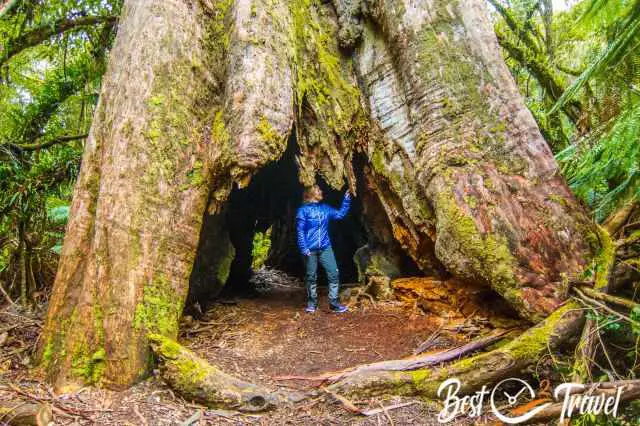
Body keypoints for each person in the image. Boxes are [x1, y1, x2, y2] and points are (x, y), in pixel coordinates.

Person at [296, 184, 352, 313]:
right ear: (311, 194)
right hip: (310, 249)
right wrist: (304, 248)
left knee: (334, 273)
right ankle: (312, 304)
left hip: (325, 247)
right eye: (318, 190)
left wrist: (346, 199)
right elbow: (300, 231)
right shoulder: (303, 211)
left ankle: (334, 303)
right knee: (311, 276)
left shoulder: (325, 208)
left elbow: (340, 215)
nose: (321, 191)